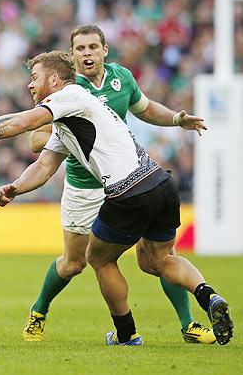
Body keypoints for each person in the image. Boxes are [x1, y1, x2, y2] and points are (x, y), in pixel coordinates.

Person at [0, 51, 233, 346]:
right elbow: (44, 165)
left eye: (35, 78)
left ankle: (126, 335)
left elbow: (23, 123)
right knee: (157, 260)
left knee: (98, 258)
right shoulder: (75, 115)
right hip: (160, 183)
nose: (30, 86)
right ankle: (209, 296)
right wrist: (16, 187)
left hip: (128, 191)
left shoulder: (70, 95)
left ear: (54, 79)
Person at [22, 24, 213, 343]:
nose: (87, 54)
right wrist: (68, 136)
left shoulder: (121, 78)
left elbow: (147, 109)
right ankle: (38, 311)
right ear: (71, 55)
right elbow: (35, 139)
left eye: (92, 47)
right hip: (84, 187)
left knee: (160, 255)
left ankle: (188, 324)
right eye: (80, 49)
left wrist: (177, 120)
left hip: (126, 182)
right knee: (73, 263)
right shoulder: (66, 89)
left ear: (104, 50)